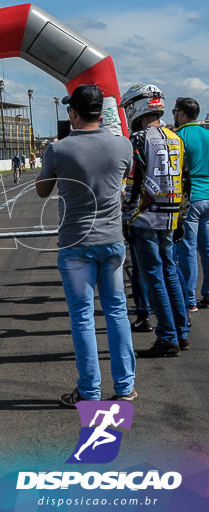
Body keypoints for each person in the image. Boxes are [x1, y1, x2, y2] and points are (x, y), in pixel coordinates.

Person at [35, 83, 135, 405]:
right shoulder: (123, 145)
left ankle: (89, 390)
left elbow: (42, 191)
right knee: (117, 311)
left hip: (76, 243)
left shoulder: (59, 149)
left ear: (73, 113)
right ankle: (125, 386)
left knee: (82, 317)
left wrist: (48, 160)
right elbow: (125, 175)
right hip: (112, 240)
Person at [120, 83, 189, 358]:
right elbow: (185, 180)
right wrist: (181, 216)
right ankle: (182, 332)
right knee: (170, 272)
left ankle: (167, 337)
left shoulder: (138, 139)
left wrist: (126, 215)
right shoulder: (176, 138)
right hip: (171, 215)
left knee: (154, 276)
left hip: (146, 217)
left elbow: (133, 183)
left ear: (137, 106)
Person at [171, 97, 209, 311]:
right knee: (207, 249)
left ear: (182, 114)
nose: (173, 114)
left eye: (175, 111)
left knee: (187, 251)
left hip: (190, 199)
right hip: (208, 195)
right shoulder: (208, 134)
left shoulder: (178, 138)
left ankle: (189, 299)